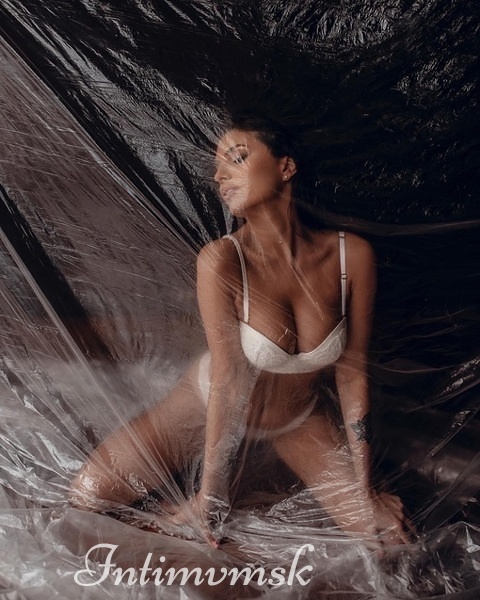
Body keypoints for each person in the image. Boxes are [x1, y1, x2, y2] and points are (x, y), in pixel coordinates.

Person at [70, 112, 409, 549]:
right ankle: (194, 498)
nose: (219, 176)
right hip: (207, 403)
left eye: (237, 158)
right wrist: (210, 494)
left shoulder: (351, 256)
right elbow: (229, 380)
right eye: (216, 167)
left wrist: (364, 490)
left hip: (296, 420)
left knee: (386, 536)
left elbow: (352, 373)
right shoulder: (222, 260)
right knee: (88, 495)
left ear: (286, 167)